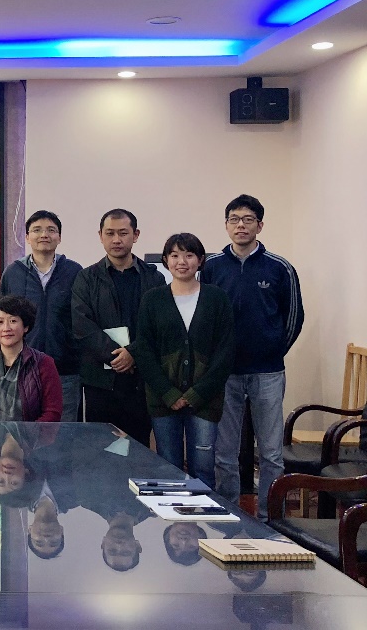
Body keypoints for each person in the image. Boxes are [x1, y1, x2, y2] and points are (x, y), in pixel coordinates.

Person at [201, 194, 304, 518]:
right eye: (234, 219)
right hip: (225, 373)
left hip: (267, 372)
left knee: (271, 453)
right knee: (224, 453)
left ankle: (270, 519)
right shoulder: (211, 267)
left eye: (248, 220)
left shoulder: (279, 267)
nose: (241, 225)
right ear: (226, 225)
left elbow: (294, 317)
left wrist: (273, 350)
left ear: (259, 225)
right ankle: (229, 514)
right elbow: (203, 316)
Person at [133, 233, 235, 488]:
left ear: (200, 260)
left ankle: (203, 514)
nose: (182, 261)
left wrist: (196, 394)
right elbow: (144, 350)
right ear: (166, 260)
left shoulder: (217, 298)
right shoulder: (152, 299)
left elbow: (225, 351)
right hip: (163, 400)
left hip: (205, 400)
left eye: (189, 255)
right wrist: (168, 393)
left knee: (203, 467)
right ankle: (174, 516)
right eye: (175, 255)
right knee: (168, 467)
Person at [71, 209, 165, 446]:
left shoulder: (154, 278)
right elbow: (82, 325)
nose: (116, 239)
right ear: (100, 236)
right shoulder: (86, 278)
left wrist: (133, 353)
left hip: (141, 378)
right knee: (101, 449)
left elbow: (159, 325)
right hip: (100, 380)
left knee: (138, 447)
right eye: (110, 233)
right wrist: (117, 356)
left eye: (123, 233)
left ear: (136, 235)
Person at [0, 210, 83, 421]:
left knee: (63, 430)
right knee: (22, 429)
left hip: (65, 369)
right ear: (27, 237)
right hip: (21, 367)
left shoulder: (74, 272)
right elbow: (2, 319)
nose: (44, 235)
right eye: (37, 230)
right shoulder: (13, 272)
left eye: (51, 230)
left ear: (59, 237)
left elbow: (83, 317)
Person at [0, 295, 63, 422]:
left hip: (32, 435)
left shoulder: (44, 364)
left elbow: (52, 412)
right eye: (0, 322)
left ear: (25, 327)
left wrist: (25, 434)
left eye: (13, 321)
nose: (6, 328)